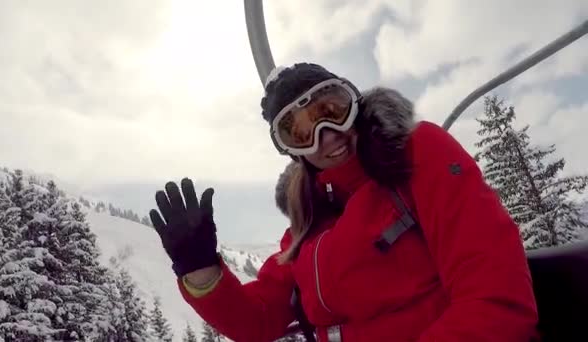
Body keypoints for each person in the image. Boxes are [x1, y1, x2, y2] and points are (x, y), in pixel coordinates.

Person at [149, 63, 539, 341]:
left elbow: (494, 299)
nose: (327, 134)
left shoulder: (417, 155)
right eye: (300, 131)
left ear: (356, 103)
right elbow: (259, 321)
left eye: (331, 110)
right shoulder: (308, 224)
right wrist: (201, 271)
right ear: (291, 150)